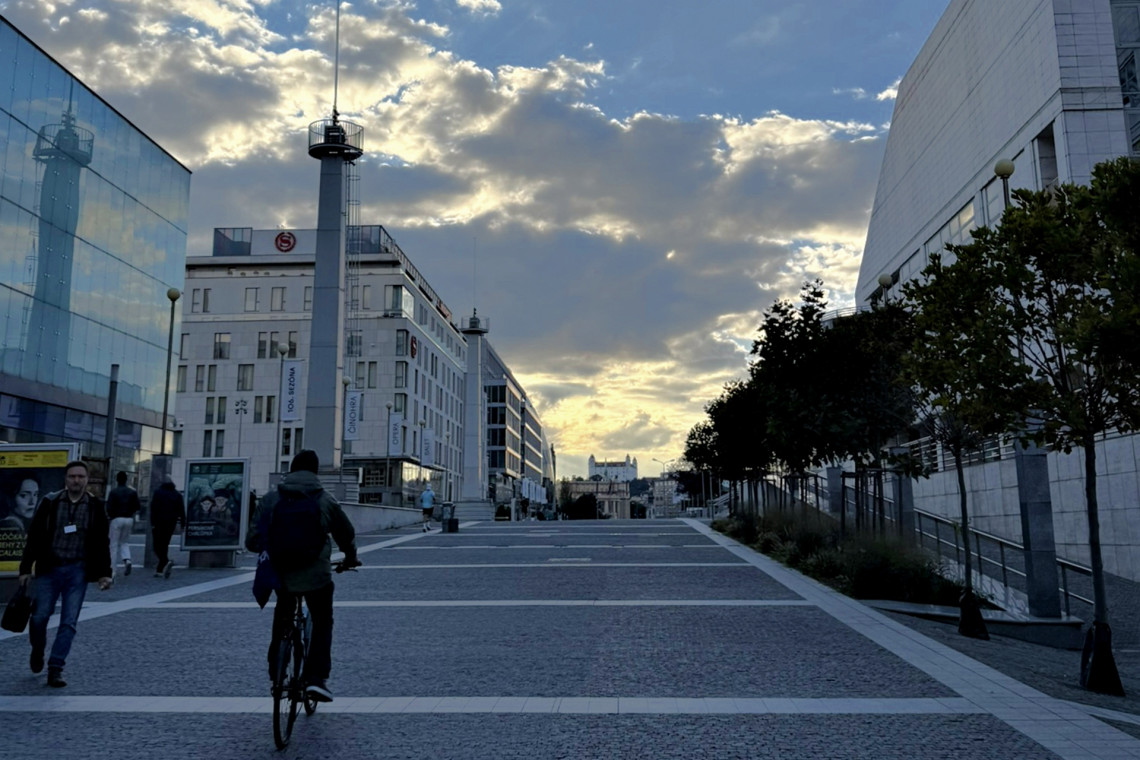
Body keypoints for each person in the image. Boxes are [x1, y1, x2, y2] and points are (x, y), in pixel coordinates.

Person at [246, 450, 358, 703]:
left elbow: (252, 540)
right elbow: (346, 533)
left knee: (282, 614)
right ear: (315, 472)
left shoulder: (271, 499)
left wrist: (274, 548)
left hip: (281, 574)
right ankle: (316, 678)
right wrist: (350, 557)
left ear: (291, 470)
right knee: (322, 620)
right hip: (316, 576)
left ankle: (276, 670)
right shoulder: (325, 499)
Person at [18, 460, 113, 688]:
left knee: (69, 622)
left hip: (77, 570)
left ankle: (56, 667)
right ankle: (38, 648)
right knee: (39, 617)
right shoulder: (50, 502)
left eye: (80, 476)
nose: (76, 480)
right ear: (65, 479)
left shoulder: (95, 506)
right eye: (72, 476)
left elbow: (102, 541)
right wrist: (25, 568)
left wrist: (104, 573)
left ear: (87, 480)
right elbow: (35, 537)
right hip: (49, 569)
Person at [106, 471, 140, 577]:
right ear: (126, 479)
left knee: (113, 544)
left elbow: (109, 507)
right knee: (124, 542)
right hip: (129, 519)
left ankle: (112, 570)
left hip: (116, 519)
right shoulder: (132, 492)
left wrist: (110, 516)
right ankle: (127, 559)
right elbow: (137, 506)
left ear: (117, 480)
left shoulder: (113, 492)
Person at [150, 476, 185, 578]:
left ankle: (165, 561)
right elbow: (181, 510)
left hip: (159, 522)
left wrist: (152, 522)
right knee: (165, 544)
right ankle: (160, 569)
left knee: (156, 546)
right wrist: (183, 523)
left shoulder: (158, 493)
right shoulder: (177, 494)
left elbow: (153, 508)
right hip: (171, 523)